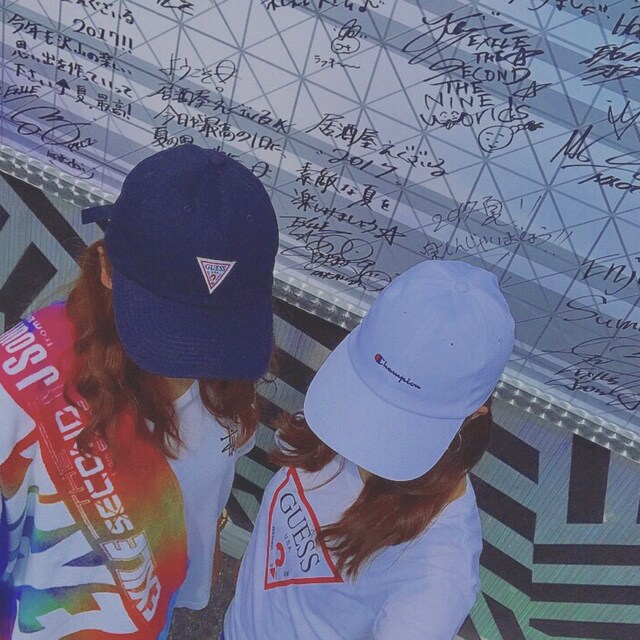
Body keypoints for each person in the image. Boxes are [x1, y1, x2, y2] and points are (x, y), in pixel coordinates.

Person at [0, 144, 279, 639]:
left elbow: (206, 493)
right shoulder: (18, 387)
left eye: (219, 326)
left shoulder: (230, 384)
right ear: (105, 266)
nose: (197, 361)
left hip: (150, 614)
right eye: (170, 324)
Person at [223, 260, 515, 640]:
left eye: (403, 420)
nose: (364, 432)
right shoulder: (338, 411)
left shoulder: (438, 571)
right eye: (369, 395)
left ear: (472, 415)